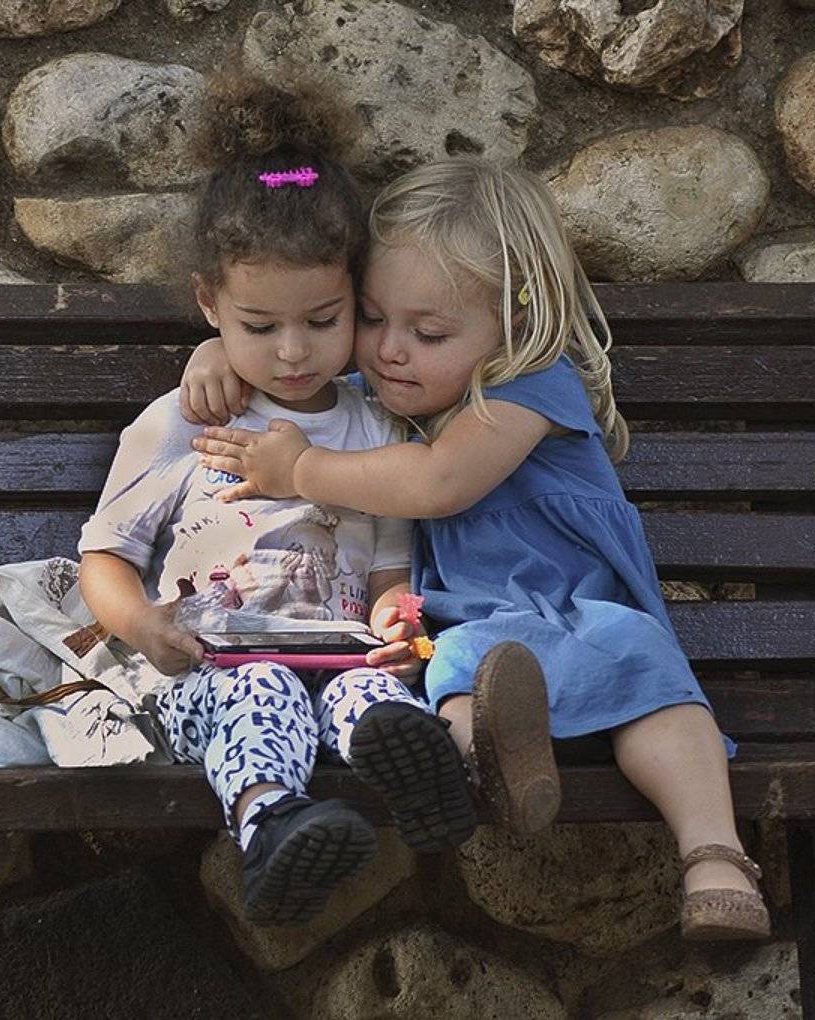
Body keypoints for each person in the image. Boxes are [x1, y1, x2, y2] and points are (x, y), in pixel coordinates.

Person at [185, 157, 771, 941]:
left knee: (648, 670)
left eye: (428, 333)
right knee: (456, 674)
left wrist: (301, 469)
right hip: (469, 632)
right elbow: (301, 376)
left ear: (514, 326)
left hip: (577, 609)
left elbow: (439, 482)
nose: (389, 351)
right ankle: (506, 768)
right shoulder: (384, 396)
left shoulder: (533, 386)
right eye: (371, 318)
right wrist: (215, 355)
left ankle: (716, 861)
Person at [77, 71, 475, 928]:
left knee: (373, 701)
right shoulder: (182, 422)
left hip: (336, 661)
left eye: (324, 321)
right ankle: (271, 828)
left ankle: (418, 778)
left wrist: (396, 626)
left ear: (357, 297)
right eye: (259, 327)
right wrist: (143, 626)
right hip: (210, 673)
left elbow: (389, 572)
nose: (293, 352)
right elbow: (103, 558)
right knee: (262, 687)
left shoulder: (374, 428)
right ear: (208, 302)